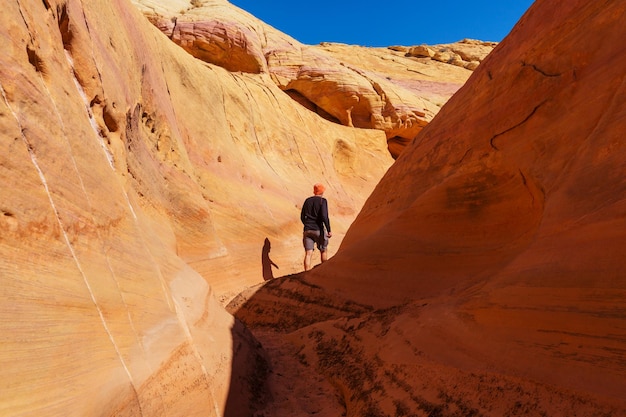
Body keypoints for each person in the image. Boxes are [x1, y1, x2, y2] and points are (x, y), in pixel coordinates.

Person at [300, 183, 332, 271]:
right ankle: (325, 271)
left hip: (307, 230)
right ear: (322, 191)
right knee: (323, 250)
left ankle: (306, 272)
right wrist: (329, 230)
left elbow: (302, 216)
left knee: (308, 253)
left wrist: (307, 224)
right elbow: (325, 216)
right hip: (318, 229)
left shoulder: (307, 200)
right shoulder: (323, 201)